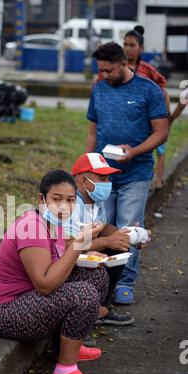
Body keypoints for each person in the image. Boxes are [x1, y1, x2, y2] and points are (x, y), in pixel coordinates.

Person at [0, 170, 109, 374]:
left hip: (31, 299)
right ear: (42, 199)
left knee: (95, 276)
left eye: (70, 200)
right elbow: (45, 284)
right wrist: (79, 246)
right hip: (4, 311)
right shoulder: (32, 226)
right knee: (83, 294)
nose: (64, 207)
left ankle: (66, 348)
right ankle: (65, 370)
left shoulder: (57, 222)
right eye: (56, 199)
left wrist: (83, 255)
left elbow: (59, 262)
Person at [86, 42, 169, 305]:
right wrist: (88, 165)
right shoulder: (99, 89)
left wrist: (134, 152)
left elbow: (161, 132)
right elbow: (92, 131)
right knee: (101, 227)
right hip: (102, 175)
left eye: (108, 70)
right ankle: (100, 280)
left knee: (129, 226)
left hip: (136, 172)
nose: (104, 75)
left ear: (124, 64)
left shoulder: (148, 89)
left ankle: (124, 282)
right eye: (101, 70)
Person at [72, 152, 135, 326]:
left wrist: (128, 235)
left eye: (108, 178)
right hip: (67, 256)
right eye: (102, 178)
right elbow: (72, 246)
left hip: (82, 250)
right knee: (111, 246)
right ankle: (88, 311)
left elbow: (103, 227)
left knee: (120, 247)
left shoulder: (94, 200)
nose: (108, 184)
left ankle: (100, 307)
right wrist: (107, 242)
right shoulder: (72, 204)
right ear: (83, 181)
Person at [123, 25, 170, 189]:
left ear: (141, 48)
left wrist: (163, 113)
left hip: (148, 117)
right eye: (125, 45)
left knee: (157, 147)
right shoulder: (118, 69)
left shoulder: (148, 70)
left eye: (132, 45)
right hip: (127, 118)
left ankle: (157, 177)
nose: (128, 49)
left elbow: (162, 90)